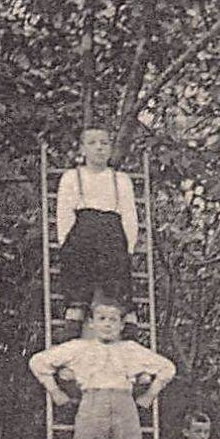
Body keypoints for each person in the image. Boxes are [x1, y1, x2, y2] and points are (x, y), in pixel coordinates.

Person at [28, 298, 175, 439]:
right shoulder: (78, 348)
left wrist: (150, 394)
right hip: (92, 402)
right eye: (102, 319)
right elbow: (38, 362)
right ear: (91, 323)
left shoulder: (131, 349)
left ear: (122, 325)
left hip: (124, 403)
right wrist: (54, 391)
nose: (107, 324)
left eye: (113, 320)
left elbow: (167, 368)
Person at [55, 125, 139, 322]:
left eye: (104, 143)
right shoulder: (72, 177)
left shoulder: (121, 180)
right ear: (82, 149)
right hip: (82, 231)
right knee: (77, 262)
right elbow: (64, 214)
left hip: (113, 233)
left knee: (117, 274)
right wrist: (65, 243)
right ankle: (75, 312)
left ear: (110, 149)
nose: (99, 148)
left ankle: (126, 318)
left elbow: (129, 216)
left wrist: (130, 247)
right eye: (92, 143)